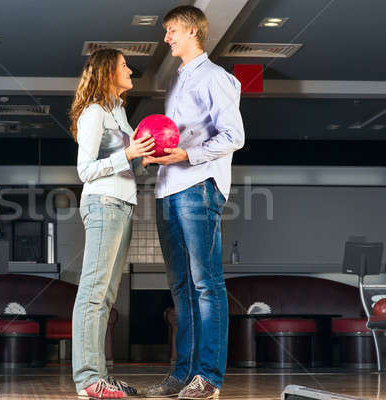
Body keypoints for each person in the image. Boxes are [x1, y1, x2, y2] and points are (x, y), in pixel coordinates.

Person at [143, 5, 245, 400]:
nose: (166, 38)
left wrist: (187, 156)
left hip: (199, 185)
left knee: (206, 285)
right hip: (169, 189)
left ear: (191, 31)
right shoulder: (178, 80)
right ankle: (182, 374)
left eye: (171, 30)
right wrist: (161, 156)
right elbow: (178, 139)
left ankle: (209, 378)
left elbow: (233, 136)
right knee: (182, 287)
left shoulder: (215, 78)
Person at [70, 48, 155, 399]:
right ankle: (89, 379)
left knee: (105, 297)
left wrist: (141, 160)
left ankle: (99, 377)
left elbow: (124, 164)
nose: (131, 70)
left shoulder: (118, 112)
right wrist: (128, 155)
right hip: (103, 203)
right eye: (124, 66)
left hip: (121, 205)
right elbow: (85, 169)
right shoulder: (93, 113)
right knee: (93, 293)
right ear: (108, 72)